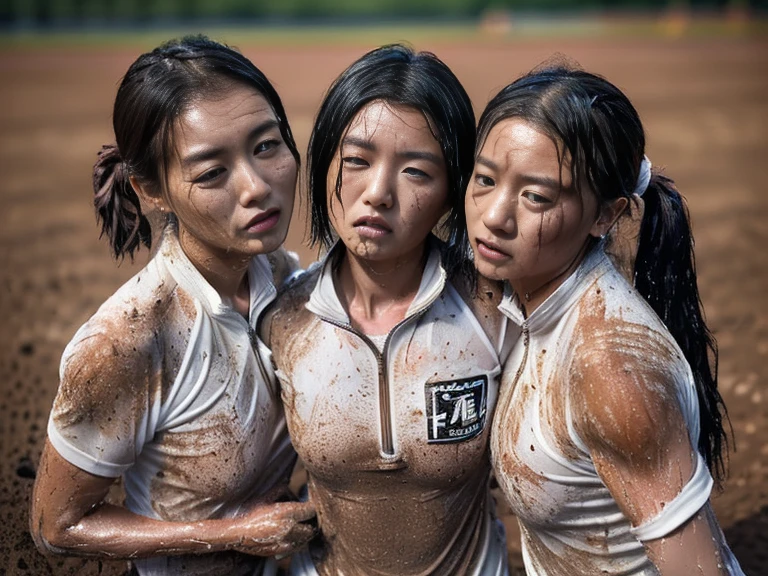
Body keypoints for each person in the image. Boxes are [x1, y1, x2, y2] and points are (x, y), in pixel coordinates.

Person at [29, 35, 316, 576]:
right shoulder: (128, 339)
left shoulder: (283, 278)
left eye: (268, 146)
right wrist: (232, 534)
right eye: (211, 173)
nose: (256, 187)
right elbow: (54, 526)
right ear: (150, 190)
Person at [465, 64, 743, 575]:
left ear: (606, 216)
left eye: (536, 197)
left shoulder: (610, 372)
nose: (494, 215)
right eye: (484, 179)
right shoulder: (532, 294)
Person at [262, 45, 511, 575]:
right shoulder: (282, 320)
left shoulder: (494, 309)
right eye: (355, 161)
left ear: (452, 193)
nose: (377, 193)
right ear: (326, 162)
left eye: (417, 172)